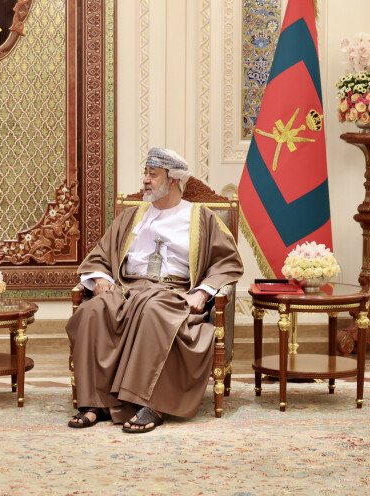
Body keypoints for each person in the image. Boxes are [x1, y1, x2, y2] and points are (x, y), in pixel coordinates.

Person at [66, 147, 243, 433]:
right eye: (145, 173)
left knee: (153, 310)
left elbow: (227, 262)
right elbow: (100, 255)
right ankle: (95, 403)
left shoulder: (201, 217)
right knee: (93, 311)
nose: (145, 180)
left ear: (173, 180)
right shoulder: (131, 217)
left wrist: (202, 292)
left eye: (153, 174)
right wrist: (99, 278)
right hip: (128, 288)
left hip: (173, 292)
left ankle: (150, 404)